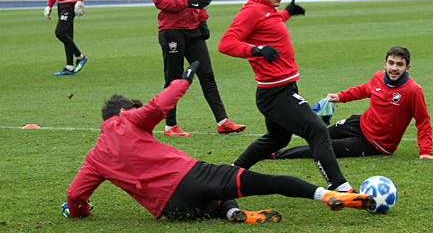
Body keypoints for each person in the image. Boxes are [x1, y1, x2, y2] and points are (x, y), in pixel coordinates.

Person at [62, 61, 374, 224]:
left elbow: (75, 195)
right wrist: (183, 80)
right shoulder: (126, 118)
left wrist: (81, 211)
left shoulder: (94, 158)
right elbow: (158, 106)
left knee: (215, 200)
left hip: (171, 209)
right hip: (190, 176)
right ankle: (329, 196)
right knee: (270, 182)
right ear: (122, 112)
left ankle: (230, 214)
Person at [218, 0, 359, 193]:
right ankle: (340, 187)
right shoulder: (252, 10)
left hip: (284, 88)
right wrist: (255, 50)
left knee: (278, 139)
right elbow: (226, 44)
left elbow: (269, 25)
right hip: (275, 93)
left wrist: (286, 14)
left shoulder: (266, 7)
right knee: (317, 130)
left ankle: (231, 173)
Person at [147, 0, 244, 137]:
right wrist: (188, 3)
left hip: (193, 29)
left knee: (207, 75)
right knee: (173, 80)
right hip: (171, 30)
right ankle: (170, 126)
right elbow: (160, 1)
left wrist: (203, 20)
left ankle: (222, 121)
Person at [269, 46, 433, 160]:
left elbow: (423, 121)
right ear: (385, 64)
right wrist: (340, 96)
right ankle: (279, 146)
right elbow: (363, 90)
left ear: (407, 68)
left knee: (324, 148)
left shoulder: (413, 91)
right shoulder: (379, 76)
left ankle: (276, 154)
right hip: (360, 123)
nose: (394, 68)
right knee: (319, 134)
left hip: (376, 143)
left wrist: (425, 152)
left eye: (400, 65)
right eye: (391, 63)